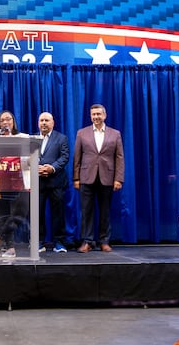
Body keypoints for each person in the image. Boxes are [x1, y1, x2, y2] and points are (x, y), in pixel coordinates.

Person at [73, 104, 124, 253]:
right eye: (93, 114)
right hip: (86, 177)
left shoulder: (115, 134)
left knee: (105, 211)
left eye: (98, 114)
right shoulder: (82, 133)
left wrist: (118, 179)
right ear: (90, 116)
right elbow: (77, 157)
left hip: (107, 178)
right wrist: (76, 178)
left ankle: (104, 241)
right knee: (86, 211)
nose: (96, 117)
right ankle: (87, 241)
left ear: (104, 115)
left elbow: (119, 157)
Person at [0, 110, 30, 258]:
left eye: (9, 119)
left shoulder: (24, 138)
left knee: (20, 213)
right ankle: (10, 247)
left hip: (21, 181)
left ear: (13, 122)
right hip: (0, 182)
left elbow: (32, 157)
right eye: (2, 120)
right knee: (4, 216)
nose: (6, 122)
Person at [37, 112, 70, 253]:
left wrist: (51, 168)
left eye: (47, 120)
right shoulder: (33, 138)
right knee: (37, 213)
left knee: (58, 213)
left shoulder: (61, 138)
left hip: (56, 182)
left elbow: (65, 157)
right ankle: (39, 242)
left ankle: (59, 242)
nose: (44, 123)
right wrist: (36, 167)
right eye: (41, 120)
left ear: (53, 123)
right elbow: (26, 156)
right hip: (38, 182)